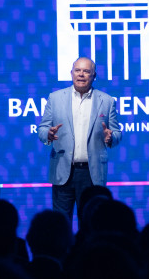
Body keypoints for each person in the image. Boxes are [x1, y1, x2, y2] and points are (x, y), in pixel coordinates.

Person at [37, 56, 122, 228]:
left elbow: (117, 133)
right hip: (63, 171)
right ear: (71, 73)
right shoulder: (55, 98)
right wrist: (48, 134)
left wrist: (111, 137)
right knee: (60, 225)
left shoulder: (106, 101)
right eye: (77, 70)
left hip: (92, 173)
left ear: (94, 76)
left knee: (91, 224)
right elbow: (42, 129)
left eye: (86, 71)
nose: (81, 74)